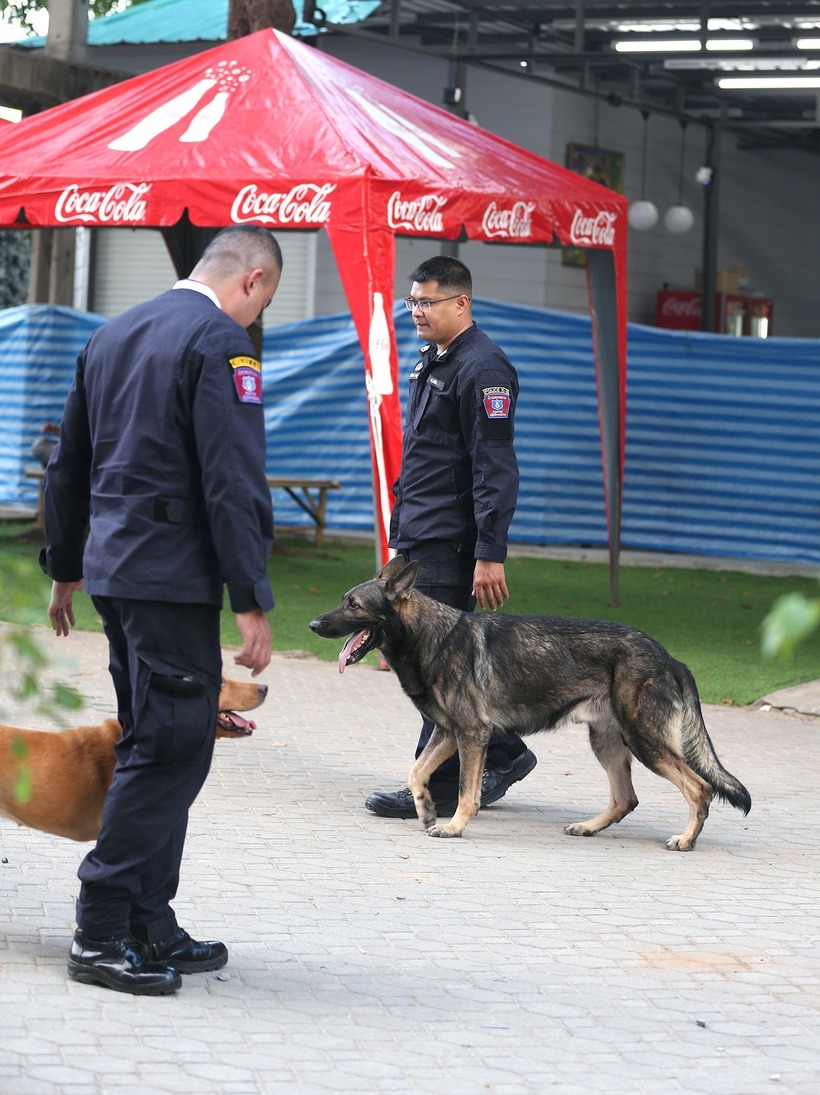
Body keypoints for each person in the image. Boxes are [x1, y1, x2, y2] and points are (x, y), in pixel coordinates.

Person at [40, 225, 282, 995]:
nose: (256, 318)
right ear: (251, 280)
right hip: (171, 579)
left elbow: (67, 463)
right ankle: (102, 928)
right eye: (264, 302)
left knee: (157, 741)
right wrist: (250, 596)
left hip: (116, 574)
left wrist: (65, 564)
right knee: (170, 748)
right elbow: (232, 475)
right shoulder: (220, 342)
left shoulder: (112, 333)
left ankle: (150, 919)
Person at [365, 255, 537, 819]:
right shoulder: (436, 359)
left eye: (427, 302)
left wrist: (490, 552)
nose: (416, 311)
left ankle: (438, 788)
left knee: (434, 663)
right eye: (412, 301)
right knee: (430, 661)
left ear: (461, 303)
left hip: (452, 541)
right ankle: (504, 752)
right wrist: (401, 534)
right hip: (423, 532)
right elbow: (426, 455)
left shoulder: (484, 368)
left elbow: (494, 465)